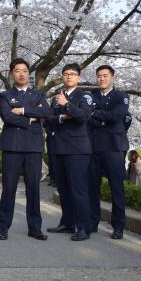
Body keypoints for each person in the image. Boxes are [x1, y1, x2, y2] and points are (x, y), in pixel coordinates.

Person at [0, 58, 50, 241]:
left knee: (33, 189)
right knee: (8, 188)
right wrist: (30, 119)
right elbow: (7, 116)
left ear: (29, 73)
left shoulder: (39, 95)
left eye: (25, 71)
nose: (21, 74)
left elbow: (45, 113)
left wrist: (22, 110)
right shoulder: (5, 96)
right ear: (12, 74)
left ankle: (35, 228)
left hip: (33, 147)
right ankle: (3, 226)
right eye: (17, 70)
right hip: (12, 146)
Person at [46, 63, 93, 241]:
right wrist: (62, 117)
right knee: (63, 189)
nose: (69, 77)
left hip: (78, 150)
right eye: (66, 74)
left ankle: (83, 227)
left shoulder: (85, 96)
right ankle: (67, 222)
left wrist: (66, 106)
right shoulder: (55, 97)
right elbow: (48, 120)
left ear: (78, 78)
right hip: (59, 148)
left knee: (78, 189)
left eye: (72, 74)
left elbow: (83, 117)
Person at [87, 64, 130, 240]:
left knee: (116, 189)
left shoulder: (121, 96)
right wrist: (103, 117)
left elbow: (117, 116)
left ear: (112, 77)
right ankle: (92, 222)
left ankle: (118, 226)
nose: (102, 79)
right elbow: (86, 116)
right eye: (99, 76)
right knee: (92, 188)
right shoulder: (91, 96)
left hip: (114, 147)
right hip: (94, 147)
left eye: (105, 75)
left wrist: (97, 114)